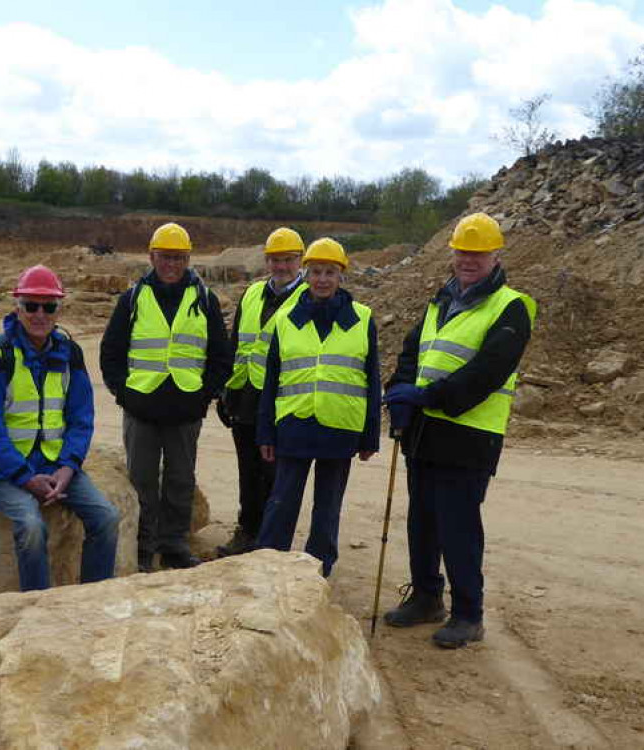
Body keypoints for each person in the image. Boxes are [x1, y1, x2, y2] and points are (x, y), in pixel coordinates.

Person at [382, 212, 536, 648]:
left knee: (458, 526)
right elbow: (414, 350)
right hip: (426, 433)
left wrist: (427, 397)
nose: (468, 260)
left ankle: (469, 612)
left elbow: (487, 372)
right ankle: (427, 597)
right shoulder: (441, 300)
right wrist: (401, 392)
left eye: (478, 253)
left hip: (470, 436)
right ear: (452, 253)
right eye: (462, 252)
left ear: (494, 255)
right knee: (423, 521)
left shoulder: (511, 307)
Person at [0, 264, 119, 592]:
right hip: (3, 467)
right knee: (31, 526)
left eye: (48, 307)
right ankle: (36, 605)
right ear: (17, 307)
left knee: (105, 518)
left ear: (58, 310)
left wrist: (68, 466)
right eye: (31, 306)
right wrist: (24, 476)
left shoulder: (68, 352)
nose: (39, 314)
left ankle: (93, 597)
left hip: (54, 463)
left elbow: (81, 418)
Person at [100, 222, 231, 572]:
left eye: (178, 258)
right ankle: (144, 547)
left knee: (180, 480)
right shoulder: (132, 300)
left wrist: (206, 394)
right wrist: (123, 392)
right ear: (151, 257)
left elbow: (221, 355)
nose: (171, 265)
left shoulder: (204, 300)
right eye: (164, 257)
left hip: (185, 409)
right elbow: (110, 352)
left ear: (187, 259)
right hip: (141, 407)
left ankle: (173, 543)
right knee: (141, 480)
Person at [255, 238, 380, 577]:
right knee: (281, 501)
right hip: (294, 424)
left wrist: (370, 436)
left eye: (330, 272)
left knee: (328, 508)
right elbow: (272, 382)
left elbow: (372, 380)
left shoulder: (362, 319)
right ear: (307, 275)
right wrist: (265, 430)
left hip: (339, 427)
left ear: (341, 276)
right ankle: (267, 564)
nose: (322, 279)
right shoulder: (286, 320)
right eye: (316, 272)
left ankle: (317, 569)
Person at [216, 227, 307, 557]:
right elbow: (237, 345)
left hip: (283, 401)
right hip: (246, 398)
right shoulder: (253, 294)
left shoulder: (308, 297)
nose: (281, 267)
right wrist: (226, 393)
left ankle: (270, 542)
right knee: (248, 471)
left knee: (276, 476)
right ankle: (248, 529)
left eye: (288, 260)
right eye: (275, 260)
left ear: (300, 261)